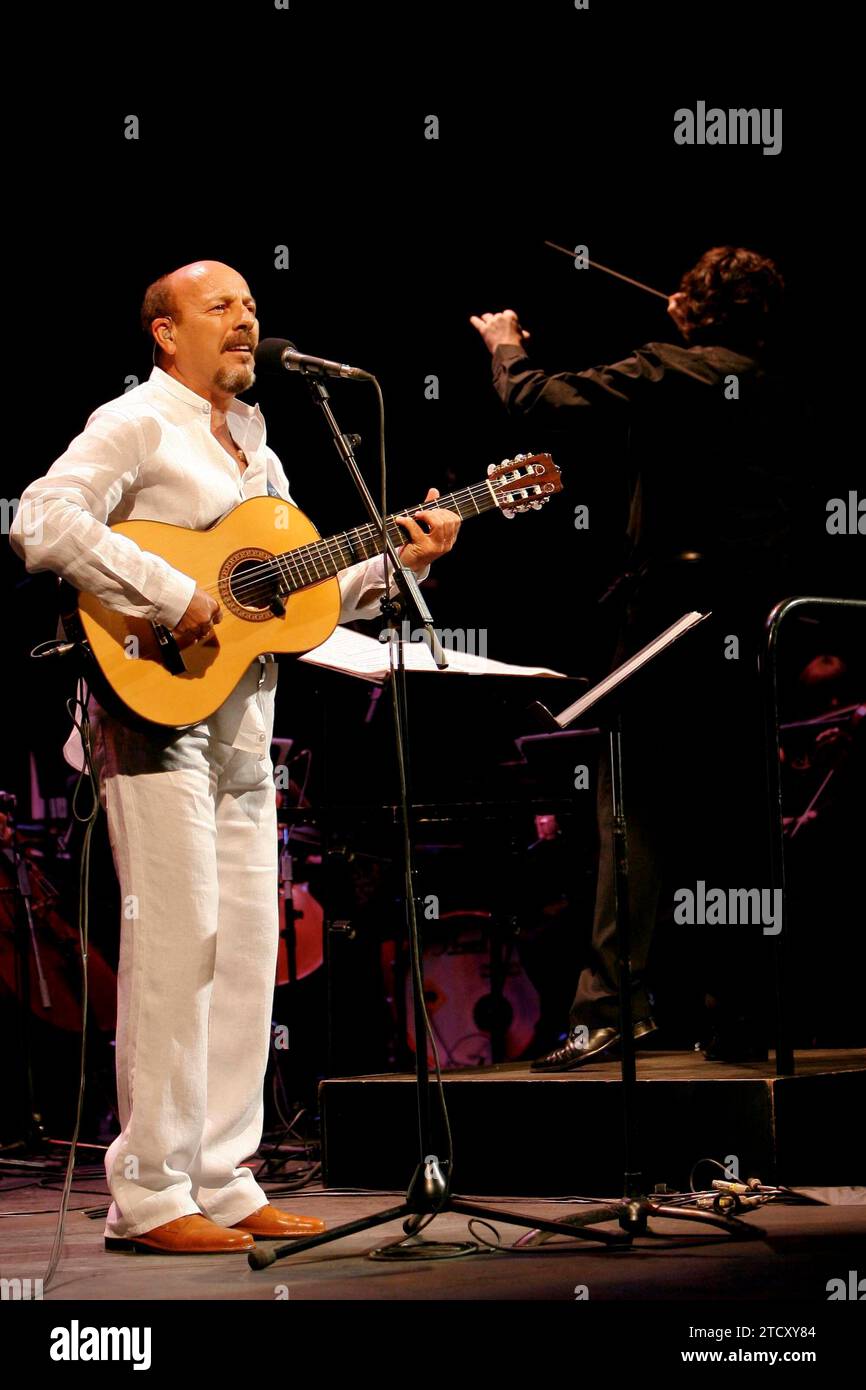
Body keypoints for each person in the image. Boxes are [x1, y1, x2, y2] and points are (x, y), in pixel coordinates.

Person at [10, 260, 460, 1252]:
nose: (245, 321)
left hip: (246, 733)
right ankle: (149, 1193)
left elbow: (286, 603)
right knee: (175, 955)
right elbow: (42, 521)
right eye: (220, 306)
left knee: (245, 952)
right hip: (154, 721)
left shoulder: (256, 440)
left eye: (251, 307)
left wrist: (395, 565)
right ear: (165, 334)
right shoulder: (137, 420)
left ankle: (221, 1172)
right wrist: (172, 596)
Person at [471, 246, 804, 1069]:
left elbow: (537, 400)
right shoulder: (768, 380)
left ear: (697, 308)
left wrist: (505, 345)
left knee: (631, 814)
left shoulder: (677, 369)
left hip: (674, 622)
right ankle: (749, 1012)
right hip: (754, 622)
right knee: (739, 817)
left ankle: (613, 1005)